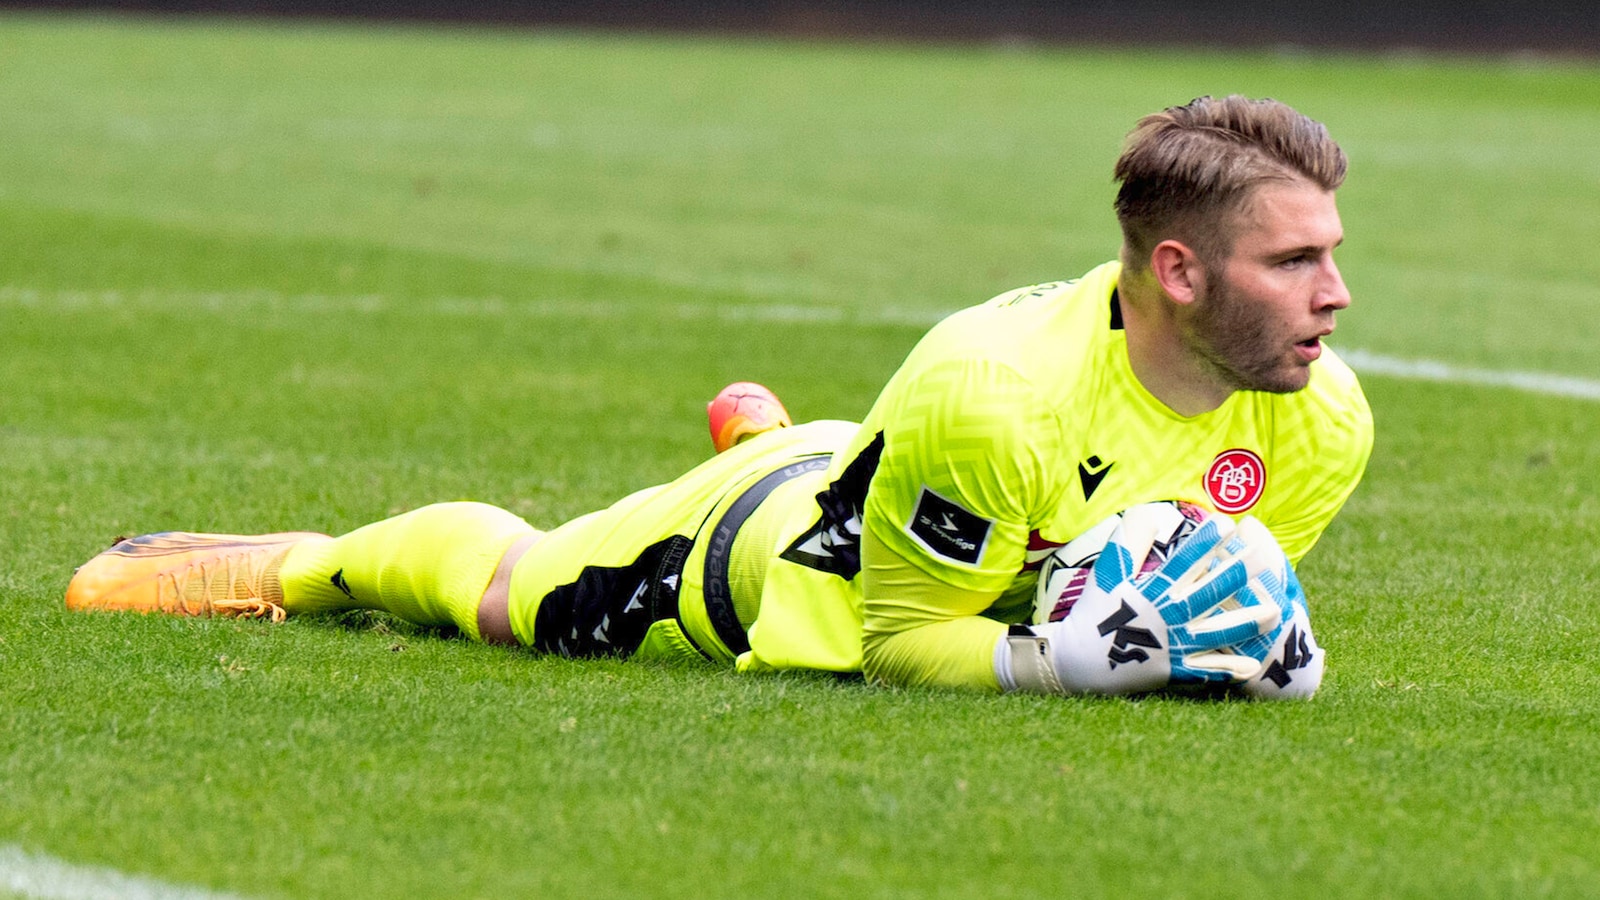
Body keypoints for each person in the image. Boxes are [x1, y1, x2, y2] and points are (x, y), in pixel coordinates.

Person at [66, 95, 1372, 699]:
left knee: (887, 479)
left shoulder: (1321, 420)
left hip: (906, 489)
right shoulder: (999, 399)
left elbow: (1210, 591)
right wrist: (1052, 667)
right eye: (1296, 260)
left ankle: (794, 441)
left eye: (1333, 252)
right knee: (510, 600)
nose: (1337, 295)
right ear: (1182, 271)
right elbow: (891, 640)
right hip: (765, 563)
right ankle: (299, 565)